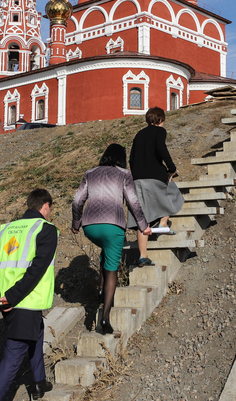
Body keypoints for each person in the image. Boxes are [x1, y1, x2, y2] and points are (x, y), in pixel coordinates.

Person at [0, 189, 57, 401]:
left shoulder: (5, 230)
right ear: (45, 206)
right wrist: (11, 298)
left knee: (37, 333)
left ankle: (39, 382)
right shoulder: (45, 229)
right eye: (50, 209)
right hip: (24, 301)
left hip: (8, 302)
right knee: (13, 356)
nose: (50, 213)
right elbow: (37, 269)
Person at [72, 144, 151, 334]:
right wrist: (143, 225)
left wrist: (76, 222)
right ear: (121, 159)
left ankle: (100, 289)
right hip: (113, 225)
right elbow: (132, 201)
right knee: (112, 269)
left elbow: (77, 200)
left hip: (90, 227)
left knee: (105, 250)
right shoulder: (124, 174)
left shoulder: (90, 173)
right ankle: (105, 318)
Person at [130, 107, 184, 259]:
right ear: (160, 120)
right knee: (172, 193)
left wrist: (135, 174)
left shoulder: (139, 134)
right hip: (155, 175)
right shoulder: (160, 131)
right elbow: (161, 149)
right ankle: (163, 222)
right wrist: (171, 168)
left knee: (142, 217)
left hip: (137, 178)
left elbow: (132, 157)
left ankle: (143, 255)